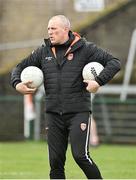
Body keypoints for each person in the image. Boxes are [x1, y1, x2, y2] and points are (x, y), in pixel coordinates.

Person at [11, 15, 121, 179]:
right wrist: (17, 83)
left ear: (65, 30)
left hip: (78, 112)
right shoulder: (43, 51)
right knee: (55, 162)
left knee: (80, 156)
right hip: (53, 114)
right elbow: (19, 67)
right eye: (48, 29)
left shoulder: (86, 48)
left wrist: (98, 81)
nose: (50, 32)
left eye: (53, 29)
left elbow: (114, 62)